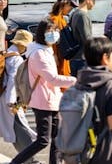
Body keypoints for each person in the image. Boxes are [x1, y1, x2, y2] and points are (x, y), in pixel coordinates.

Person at [10, 20, 77, 164]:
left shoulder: (46, 50)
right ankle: (15, 162)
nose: (54, 34)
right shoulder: (38, 54)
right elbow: (52, 78)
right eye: (50, 31)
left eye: (55, 31)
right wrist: (75, 80)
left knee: (58, 137)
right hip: (42, 101)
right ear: (42, 34)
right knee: (43, 140)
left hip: (52, 99)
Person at [0, 30, 36, 159]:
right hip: (10, 99)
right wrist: (12, 102)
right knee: (21, 128)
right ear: (22, 45)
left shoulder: (6, 54)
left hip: (4, 96)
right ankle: (29, 159)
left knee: (15, 129)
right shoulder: (17, 59)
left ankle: (26, 158)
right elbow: (13, 82)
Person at [47, 0, 78, 77]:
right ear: (64, 4)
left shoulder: (62, 18)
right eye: (70, 5)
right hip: (57, 57)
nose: (71, 8)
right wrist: (54, 55)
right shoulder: (53, 19)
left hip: (64, 57)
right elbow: (50, 41)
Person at [69, 0, 97, 76]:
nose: (94, 4)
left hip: (76, 58)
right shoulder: (82, 15)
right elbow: (87, 38)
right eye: (94, 0)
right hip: (81, 59)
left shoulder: (75, 13)